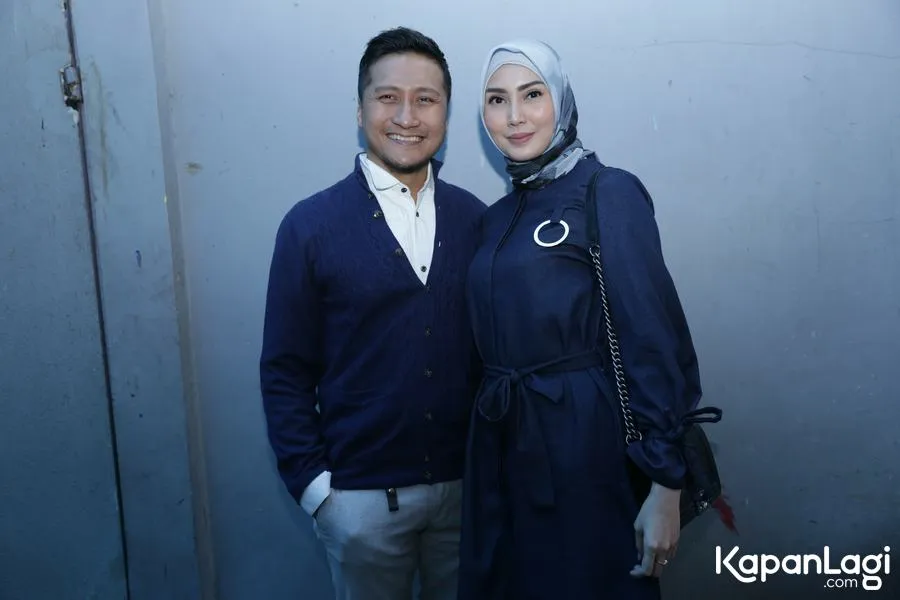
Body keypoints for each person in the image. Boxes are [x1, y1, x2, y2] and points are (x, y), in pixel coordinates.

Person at [458, 39, 704, 599]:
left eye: (532, 94)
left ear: (562, 100)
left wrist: (665, 482)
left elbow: (651, 335)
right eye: (496, 100)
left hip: (582, 445)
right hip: (499, 449)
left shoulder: (607, 191)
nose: (515, 116)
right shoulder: (495, 218)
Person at [260, 27, 485, 600]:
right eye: (388, 97)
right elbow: (285, 369)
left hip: (468, 498)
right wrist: (317, 492)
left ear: (446, 113)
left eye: (426, 99)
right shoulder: (309, 227)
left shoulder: (477, 221)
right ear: (360, 111)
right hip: (359, 504)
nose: (407, 116)